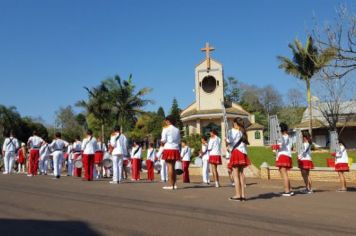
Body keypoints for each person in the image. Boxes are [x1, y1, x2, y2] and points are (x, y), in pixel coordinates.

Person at [226, 118, 251, 201]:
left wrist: (226, 139)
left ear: (234, 123)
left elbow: (229, 141)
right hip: (243, 153)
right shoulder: (242, 131)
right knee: (241, 174)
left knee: (235, 175)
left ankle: (237, 195)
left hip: (236, 152)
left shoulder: (231, 131)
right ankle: (243, 195)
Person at [161, 116, 181, 190]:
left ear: (168, 121)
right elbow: (179, 141)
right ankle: (174, 184)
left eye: (166, 121)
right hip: (175, 149)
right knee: (173, 167)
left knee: (169, 167)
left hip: (168, 148)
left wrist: (162, 142)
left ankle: (171, 185)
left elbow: (163, 140)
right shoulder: (177, 129)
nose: (165, 122)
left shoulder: (165, 129)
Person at [276, 123, 294, 196]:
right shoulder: (288, 137)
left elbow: (281, 145)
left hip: (283, 155)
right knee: (284, 173)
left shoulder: (284, 137)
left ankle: (287, 191)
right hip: (286, 155)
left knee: (284, 174)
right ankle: (290, 189)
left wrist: (275, 146)